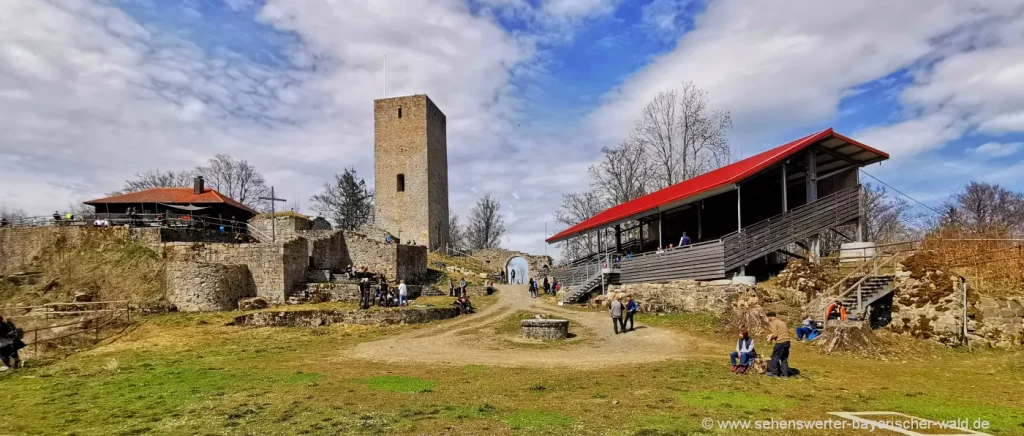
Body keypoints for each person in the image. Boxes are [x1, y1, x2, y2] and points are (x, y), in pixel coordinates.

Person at [765, 312, 792, 378]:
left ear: (770, 317)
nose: (767, 319)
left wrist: (770, 337)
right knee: (784, 358)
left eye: (767, 317)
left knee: (774, 358)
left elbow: (775, 334)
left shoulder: (774, 322)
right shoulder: (781, 322)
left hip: (781, 342)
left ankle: (774, 373)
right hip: (787, 342)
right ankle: (785, 374)